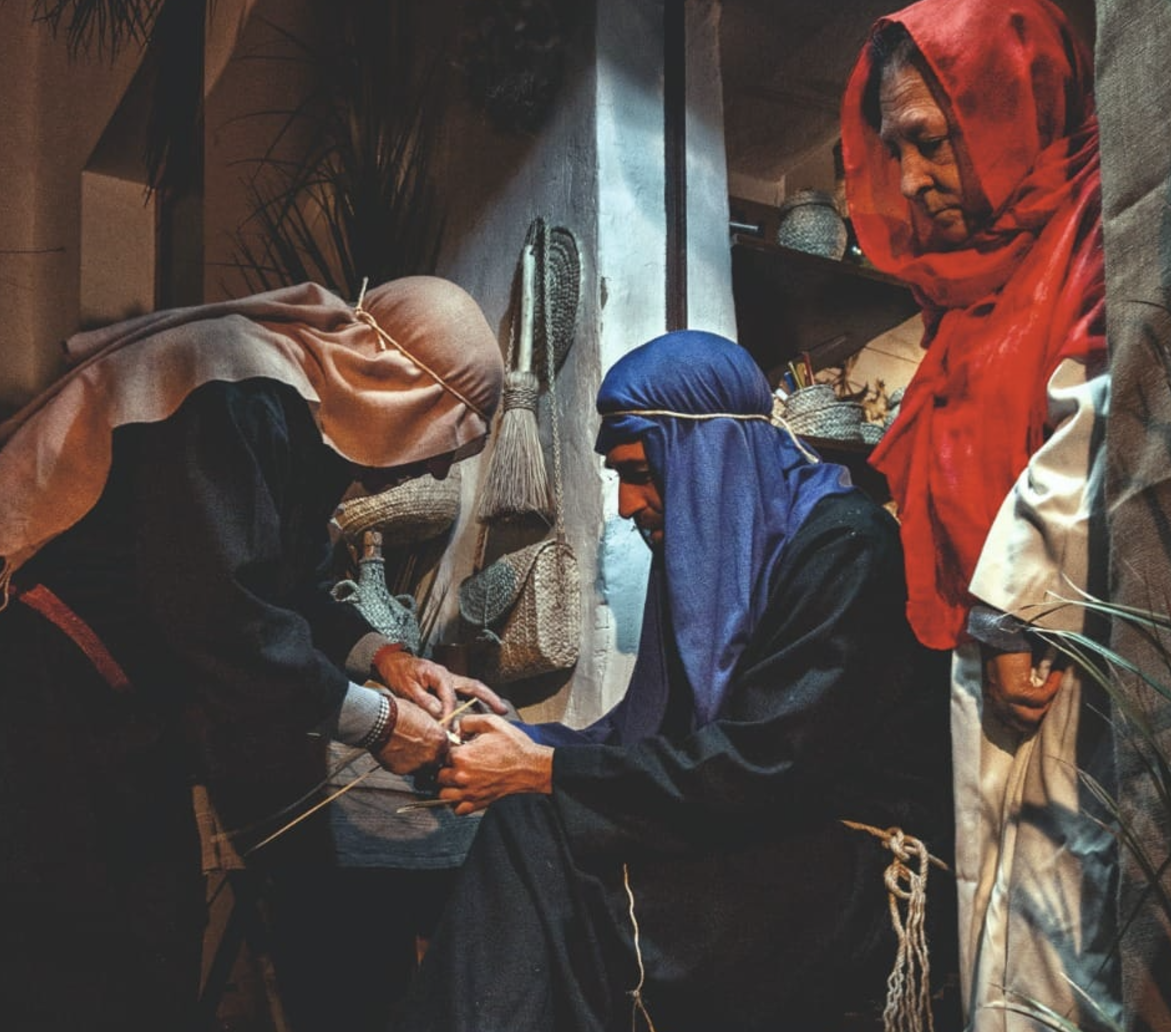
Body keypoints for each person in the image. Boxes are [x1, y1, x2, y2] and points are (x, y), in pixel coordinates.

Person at [0, 276, 506, 1032]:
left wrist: (384, 657)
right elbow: (224, 619)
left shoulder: (296, 411)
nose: (439, 469)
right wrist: (383, 726)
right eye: (442, 439)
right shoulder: (230, 390)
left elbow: (289, 578)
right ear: (396, 388)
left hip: (113, 719)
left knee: (152, 944)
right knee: (50, 965)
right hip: (37, 710)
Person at [387, 329, 956, 1032]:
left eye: (642, 472)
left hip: (849, 862)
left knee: (543, 848)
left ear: (705, 453)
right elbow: (653, 736)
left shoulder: (845, 543)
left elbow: (767, 762)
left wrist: (543, 770)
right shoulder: (719, 547)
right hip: (758, 828)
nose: (627, 506)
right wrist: (515, 741)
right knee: (529, 829)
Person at [840, 1, 1117, 1028]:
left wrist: (1020, 612)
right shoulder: (974, 287)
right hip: (992, 642)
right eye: (895, 149)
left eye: (929, 140)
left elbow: (1086, 430)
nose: (910, 180)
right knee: (995, 924)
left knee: (1057, 932)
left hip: (1060, 641)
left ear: (1006, 107)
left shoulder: (1090, 233)